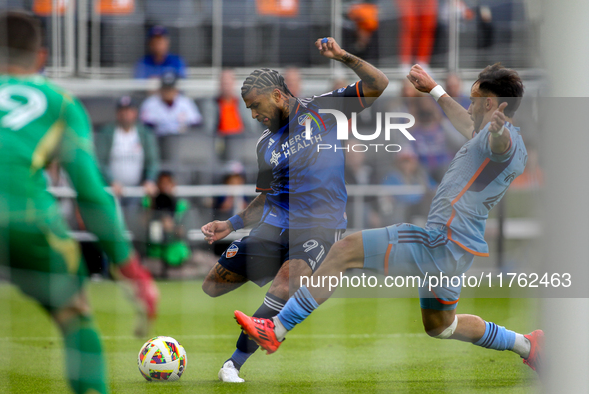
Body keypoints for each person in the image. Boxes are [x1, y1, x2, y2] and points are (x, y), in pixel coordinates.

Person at [235, 63, 544, 375]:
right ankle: (528, 345)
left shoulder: (503, 140)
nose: (468, 103)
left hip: (441, 240)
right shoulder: (494, 137)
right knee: (441, 326)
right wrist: (435, 89)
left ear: (491, 104)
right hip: (459, 250)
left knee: (344, 250)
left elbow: (498, 145)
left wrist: (499, 130)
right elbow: (468, 123)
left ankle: (275, 330)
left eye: (474, 99)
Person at [201, 37, 388, 382]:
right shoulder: (265, 146)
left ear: (276, 96)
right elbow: (267, 197)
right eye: (248, 110)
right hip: (275, 224)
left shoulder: (324, 110)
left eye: (256, 106)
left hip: (320, 223)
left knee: (287, 282)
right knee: (212, 285)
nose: (254, 115)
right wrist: (232, 223)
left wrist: (342, 56)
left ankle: (233, 364)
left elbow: (379, 84)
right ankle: (282, 293)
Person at [0, 11, 158, 394]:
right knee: (74, 311)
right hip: (22, 217)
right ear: (41, 58)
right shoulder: (61, 105)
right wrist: (127, 265)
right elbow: (89, 192)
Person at [96, 96, 160, 199]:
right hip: (112, 189)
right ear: (117, 113)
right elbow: (100, 160)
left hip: (137, 190)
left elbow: (152, 160)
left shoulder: (144, 134)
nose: (125, 114)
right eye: (122, 111)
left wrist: (149, 180)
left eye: (129, 111)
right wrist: (111, 181)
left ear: (135, 113)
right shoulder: (107, 133)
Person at [140, 71, 202, 136]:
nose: (168, 92)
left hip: (182, 140)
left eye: (170, 89)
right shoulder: (150, 103)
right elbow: (145, 125)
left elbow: (196, 122)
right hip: (158, 139)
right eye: (166, 88)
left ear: (176, 90)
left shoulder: (186, 102)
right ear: (160, 89)